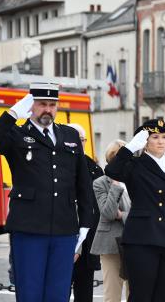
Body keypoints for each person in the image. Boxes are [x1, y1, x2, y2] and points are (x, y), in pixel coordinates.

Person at [0, 83, 93, 302]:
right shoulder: (16, 134)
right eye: (42, 104)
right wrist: (12, 114)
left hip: (64, 228)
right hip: (29, 228)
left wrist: (85, 224)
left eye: (52, 105)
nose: (48, 110)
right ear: (31, 105)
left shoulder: (69, 134)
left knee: (58, 294)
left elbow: (83, 182)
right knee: (30, 293)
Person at [104, 119, 165, 302]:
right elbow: (111, 171)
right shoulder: (134, 165)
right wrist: (129, 149)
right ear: (145, 141)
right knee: (141, 296)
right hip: (143, 240)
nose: (161, 141)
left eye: (164, 137)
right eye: (155, 137)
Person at [67, 123, 104, 302]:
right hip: (64, 240)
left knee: (84, 294)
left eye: (81, 140)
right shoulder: (57, 166)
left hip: (88, 243)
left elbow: (97, 208)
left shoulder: (94, 168)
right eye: (74, 139)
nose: (78, 143)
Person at [91, 139, 131, 302]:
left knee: (136, 292)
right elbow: (108, 212)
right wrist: (115, 185)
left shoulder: (135, 180)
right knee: (112, 294)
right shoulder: (100, 183)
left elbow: (143, 212)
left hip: (135, 240)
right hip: (110, 243)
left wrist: (123, 215)